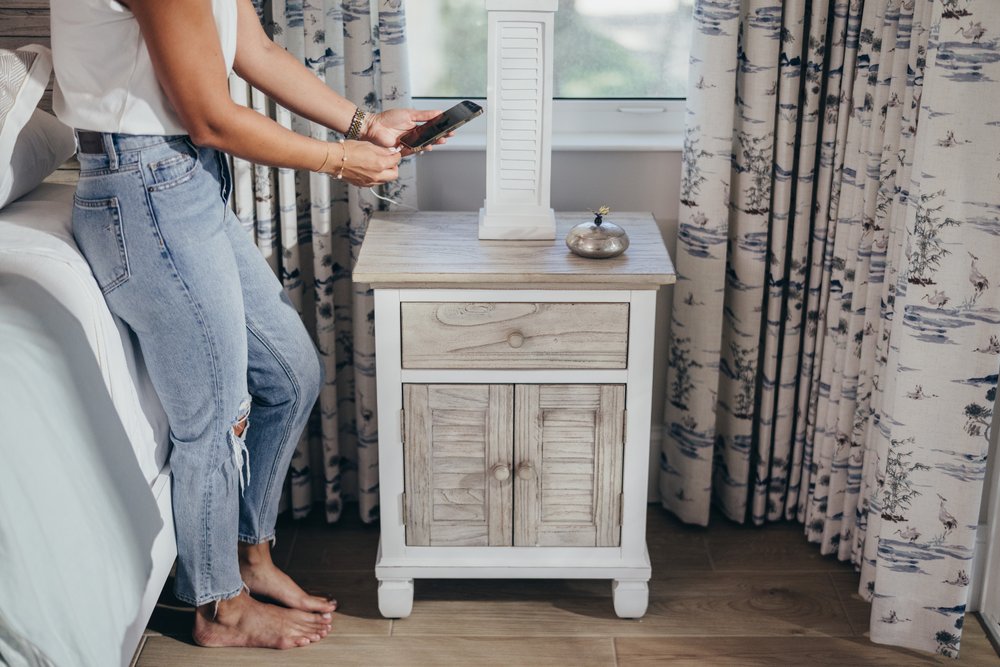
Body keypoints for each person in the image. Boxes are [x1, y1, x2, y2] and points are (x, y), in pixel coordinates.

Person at [49, 0, 445, 650]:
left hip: (183, 180)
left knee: (290, 373)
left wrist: (367, 126)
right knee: (214, 415)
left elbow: (255, 53)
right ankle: (218, 604)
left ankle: (248, 554)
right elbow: (209, 117)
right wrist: (340, 160)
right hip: (143, 184)